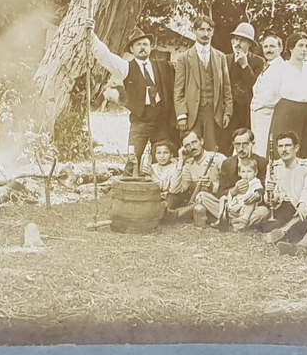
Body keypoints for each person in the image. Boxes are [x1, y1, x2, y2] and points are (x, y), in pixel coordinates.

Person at [86, 19, 176, 156]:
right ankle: (130, 176)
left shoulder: (162, 66)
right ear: (132, 49)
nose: (142, 47)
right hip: (140, 121)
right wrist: (92, 36)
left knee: (162, 158)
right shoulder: (127, 67)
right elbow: (106, 57)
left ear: (150, 47)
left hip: (161, 120)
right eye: (138, 44)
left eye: (145, 44)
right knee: (133, 159)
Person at [174, 15, 232, 151]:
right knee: (191, 147)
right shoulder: (184, 58)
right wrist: (181, 115)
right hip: (192, 112)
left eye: (208, 30)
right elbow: (178, 90)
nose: (205, 34)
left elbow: (226, 88)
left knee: (212, 149)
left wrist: (227, 112)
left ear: (212, 32)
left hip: (214, 112)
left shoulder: (220, 57)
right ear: (195, 31)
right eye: (201, 29)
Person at [197, 128, 270, 228]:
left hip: (249, 208)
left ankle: (228, 220)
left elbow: (265, 188)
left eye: (245, 144)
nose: (241, 148)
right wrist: (233, 191)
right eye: (237, 144)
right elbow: (220, 192)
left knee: (264, 212)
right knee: (202, 196)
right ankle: (237, 221)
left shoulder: (262, 162)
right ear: (233, 144)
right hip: (231, 205)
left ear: (252, 143)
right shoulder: (227, 163)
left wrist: (258, 194)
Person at [260, 131, 307, 253]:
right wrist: (270, 194)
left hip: (300, 206)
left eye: (287, 145)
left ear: (296, 148)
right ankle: (286, 233)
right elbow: (271, 198)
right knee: (270, 225)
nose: (284, 150)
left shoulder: (305, 165)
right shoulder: (273, 166)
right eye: (280, 146)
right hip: (282, 207)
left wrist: (302, 203)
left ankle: (284, 231)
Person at [266, 34, 307, 163]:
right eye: (300, 45)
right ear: (291, 48)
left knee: (303, 151)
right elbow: (270, 95)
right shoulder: (280, 69)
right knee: (285, 149)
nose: (304, 49)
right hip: (286, 113)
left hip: (305, 113)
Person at [163, 131, 226, 221]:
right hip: (197, 201)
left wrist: (212, 186)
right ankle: (166, 211)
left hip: (216, 200)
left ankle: (172, 215)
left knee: (202, 200)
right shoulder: (188, 164)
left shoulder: (218, 158)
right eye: (187, 145)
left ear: (201, 141)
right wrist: (181, 161)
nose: (192, 147)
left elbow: (230, 185)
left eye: (194, 142)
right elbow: (175, 189)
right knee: (171, 196)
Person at [222, 23, 265, 150]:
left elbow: (256, 86)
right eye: (235, 40)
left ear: (250, 44)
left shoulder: (259, 61)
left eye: (242, 40)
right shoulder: (225, 59)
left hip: (247, 112)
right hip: (228, 111)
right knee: (226, 144)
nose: (237, 44)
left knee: (245, 145)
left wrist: (245, 66)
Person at [250, 34, 284, 156]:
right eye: (266, 47)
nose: (268, 50)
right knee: (258, 147)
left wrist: (260, 105)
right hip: (258, 116)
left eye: (272, 46)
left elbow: (277, 94)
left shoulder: (281, 68)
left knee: (265, 149)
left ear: (280, 48)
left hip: (269, 115)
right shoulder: (268, 66)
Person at [214, 158, 265, 231]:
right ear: (239, 173)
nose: (246, 175)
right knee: (223, 198)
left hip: (245, 209)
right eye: (243, 172)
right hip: (234, 207)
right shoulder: (239, 182)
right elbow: (233, 196)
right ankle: (220, 218)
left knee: (251, 202)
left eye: (249, 171)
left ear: (255, 172)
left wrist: (257, 193)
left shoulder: (255, 181)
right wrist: (233, 196)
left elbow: (258, 190)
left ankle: (243, 220)